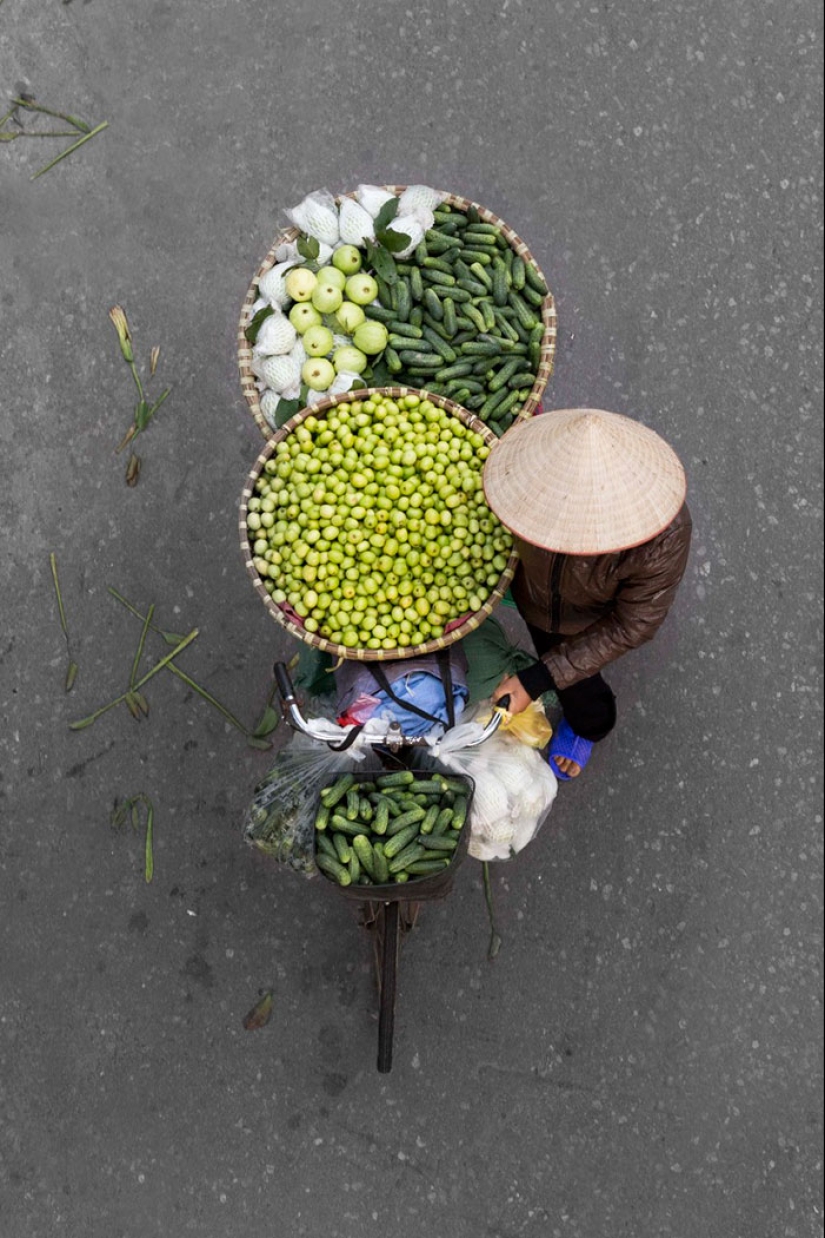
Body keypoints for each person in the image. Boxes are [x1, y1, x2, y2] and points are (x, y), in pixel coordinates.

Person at [482, 408, 692, 780]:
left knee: (576, 680)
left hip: (586, 615)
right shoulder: (527, 462)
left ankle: (589, 726)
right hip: (534, 591)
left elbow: (632, 625)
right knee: (544, 636)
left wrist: (536, 680)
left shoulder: (664, 537)